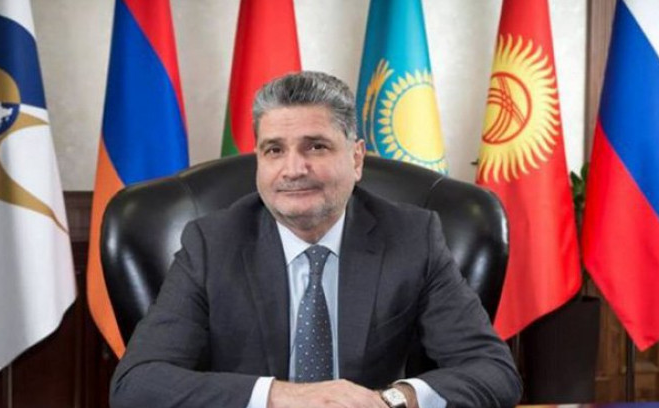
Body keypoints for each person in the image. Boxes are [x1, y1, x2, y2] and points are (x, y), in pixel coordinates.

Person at [110, 71, 522, 408]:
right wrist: (281, 397)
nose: (293, 169)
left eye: (316, 147)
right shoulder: (212, 244)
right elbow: (137, 384)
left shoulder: (412, 238)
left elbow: (493, 372)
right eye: (274, 150)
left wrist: (393, 400)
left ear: (356, 158)